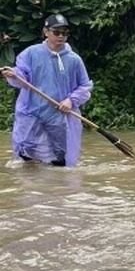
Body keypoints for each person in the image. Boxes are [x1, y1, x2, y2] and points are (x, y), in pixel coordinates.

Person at [1, 14, 93, 166]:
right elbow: (22, 77)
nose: (61, 36)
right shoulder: (31, 53)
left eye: (65, 33)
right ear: (46, 32)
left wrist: (71, 101)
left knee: (59, 159)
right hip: (32, 112)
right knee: (27, 154)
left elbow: (85, 86)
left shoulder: (74, 59)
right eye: (56, 32)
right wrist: (14, 74)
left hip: (60, 116)